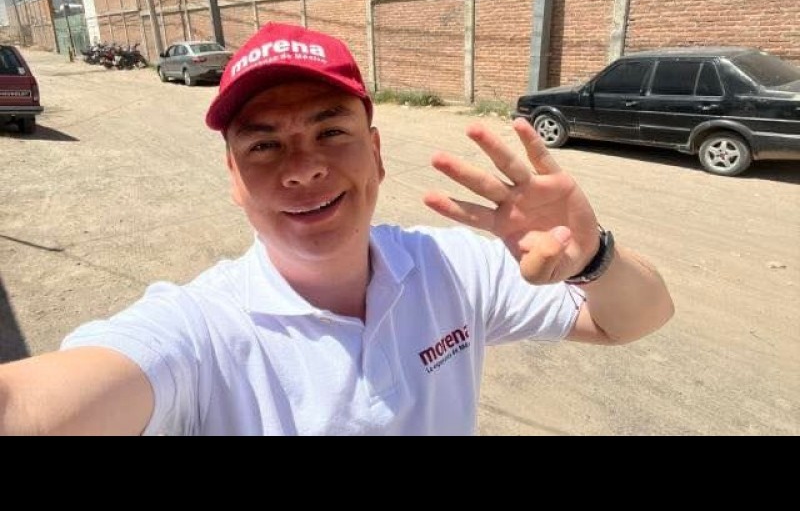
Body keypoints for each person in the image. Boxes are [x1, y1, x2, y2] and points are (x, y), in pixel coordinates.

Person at [0, 22, 674, 435]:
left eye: (330, 132)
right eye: (264, 145)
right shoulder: (200, 330)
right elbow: (36, 405)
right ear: (233, 177)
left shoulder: (453, 268)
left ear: (376, 153)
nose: (303, 169)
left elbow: (634, 319)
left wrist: (593, 257)